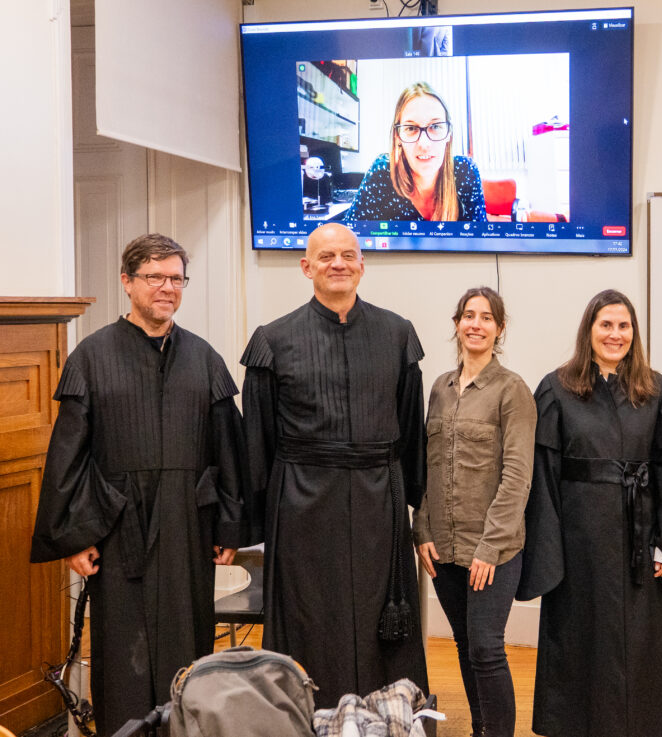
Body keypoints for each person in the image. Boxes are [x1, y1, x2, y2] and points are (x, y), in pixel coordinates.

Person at [29, 234, 247, 735]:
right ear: (127, 283)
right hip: (117, 522)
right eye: (154, 277)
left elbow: (228, 450)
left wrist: (229, 527)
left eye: (176, 278)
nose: (166, 288)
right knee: (122, 650)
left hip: (187, 523)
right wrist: (73, 534)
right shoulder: (92, 355)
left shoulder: (204, 357)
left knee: (186, 644)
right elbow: (69, 453)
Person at [241, 222, 429, 708]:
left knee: (379, 621)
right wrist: (257, 521)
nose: (338, 264)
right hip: (301, 503)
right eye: (326, 257)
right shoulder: (273, 340)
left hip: (377, 502)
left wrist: (412, 502)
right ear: (307, 267)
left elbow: (410, 427)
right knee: (310, 619)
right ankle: (307, 717)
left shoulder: (397, 334)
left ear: (363, 265)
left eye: (348, 255)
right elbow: (256, 440)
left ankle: (387, 717)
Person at [517, 289, 662, 737]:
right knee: (578, 638)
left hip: (638, 536)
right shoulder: (557, 388)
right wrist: (551, 547)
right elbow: (543, 475)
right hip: (578, 538)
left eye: (624, 326)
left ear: (634, 333)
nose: (615, 334)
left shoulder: (656, 390)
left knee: (636, 643)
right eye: (606, 325)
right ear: (588, 331)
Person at [414, 286, 536, 737]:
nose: (476, 324)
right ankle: (481, 728)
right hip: (442, 546)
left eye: (486, 317)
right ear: (457, 324)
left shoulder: (512, 390)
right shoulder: (440, 389)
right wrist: (421, 528)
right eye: (468, 315)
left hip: (493, 551)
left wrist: (489, 547)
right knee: (465, 645)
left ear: (499, 329)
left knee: (486, 648)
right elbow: (427, 467)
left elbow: (517, 477)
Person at [342, 82, 487, 223]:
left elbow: (480, 242)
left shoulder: (465, 172)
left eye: (435, 126)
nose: (424, 144)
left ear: (449, 133)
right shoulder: (383, 172)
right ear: (397, 136)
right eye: (411, 128)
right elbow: (350, 237)